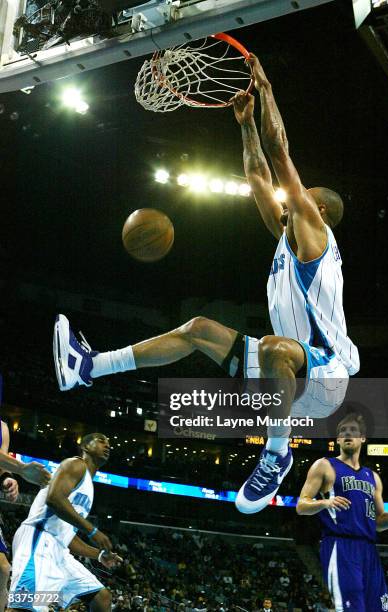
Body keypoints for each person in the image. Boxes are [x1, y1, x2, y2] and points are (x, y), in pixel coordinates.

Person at [52, 55, 358, 515]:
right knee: (197, 328)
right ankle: (89, 367)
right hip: (289, 373)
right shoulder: (287, 239)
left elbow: (279, 156)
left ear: (318, 211)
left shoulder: (315, 231)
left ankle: (277, 454)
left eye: (300, 197)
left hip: (326, 376)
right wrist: (245, 123)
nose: (289, 199)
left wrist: (267, 92)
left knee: (275, 348)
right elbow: (258, 174)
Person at [296, 413, 388, 611]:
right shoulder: (325, 465)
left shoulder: (373, 477)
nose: (348, 433)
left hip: (369, 549)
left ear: (362, 438)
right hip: (340, 546)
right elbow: (301, 505)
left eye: (353, 430)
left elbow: (379, 523)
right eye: (342, 431)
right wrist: (325, 503)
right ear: (338, 439)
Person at [7, 433, 122, 612]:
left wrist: (99, 555)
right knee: (24, 606)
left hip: (58, 548)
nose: (107, 445)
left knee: (101, 598)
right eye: (101, 440)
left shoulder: (89, 486)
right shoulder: (75, 464)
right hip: (38, 539)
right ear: (84, 446)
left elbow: (67, 536)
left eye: (109, 443)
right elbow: (54, 499)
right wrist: (92, 531)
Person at [0, 419, 50, 612]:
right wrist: (20, 468)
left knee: (3, 569)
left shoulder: (3, 427)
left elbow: (2, 462)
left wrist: (7, 478)